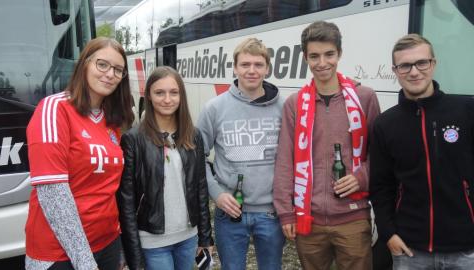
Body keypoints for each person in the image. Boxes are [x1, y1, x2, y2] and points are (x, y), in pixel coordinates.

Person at [273, 21, 380, 270]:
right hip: (308, 219)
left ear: (339, 54)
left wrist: (361, 177)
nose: (322, 63)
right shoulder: (295, 103)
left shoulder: (365, 97)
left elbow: (381, 154)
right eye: (314, 56)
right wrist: (286, 212)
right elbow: (285, 160)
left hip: (353, 217)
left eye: (329, 54)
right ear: (305, 58)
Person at [25, 37, 134, 270]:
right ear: (85, 63)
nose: (109, 74)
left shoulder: (112, 121)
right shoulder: (54, 109)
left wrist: (119, 248)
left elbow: (109, 190)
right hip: (59, 253)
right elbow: (53, 193)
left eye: (118, 70)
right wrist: (85, 262)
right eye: (102, 64)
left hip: (107, 244)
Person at [369, 33, 474, 269]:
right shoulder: (385, 124)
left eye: (421, 63)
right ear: (395, 71)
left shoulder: (466, 110)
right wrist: (389, 234)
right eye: (405, 65)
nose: (414, 72)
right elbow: (380, 186)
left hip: (466, 250)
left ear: (433, 64)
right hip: (410, 250)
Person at [197, 37, 285, 270]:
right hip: (230, 213)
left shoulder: (283, 107)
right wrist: (216, 193)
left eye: (258, 64)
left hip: (271, 214)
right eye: (245, 64)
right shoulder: (214, 108)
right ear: (235, 68)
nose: (252, 70)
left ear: (267, 68)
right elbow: (198, 159)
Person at [117, 66, 214, 270]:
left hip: (188, 236)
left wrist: (205, 237)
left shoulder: (193, 135)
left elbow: (200, 187)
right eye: (159, 92)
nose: (167, 99)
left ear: (181, 96)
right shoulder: (133, 139)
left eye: (174, 92)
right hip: (153, 241)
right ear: (149, 97)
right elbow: (127, 201)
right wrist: (131, 253)